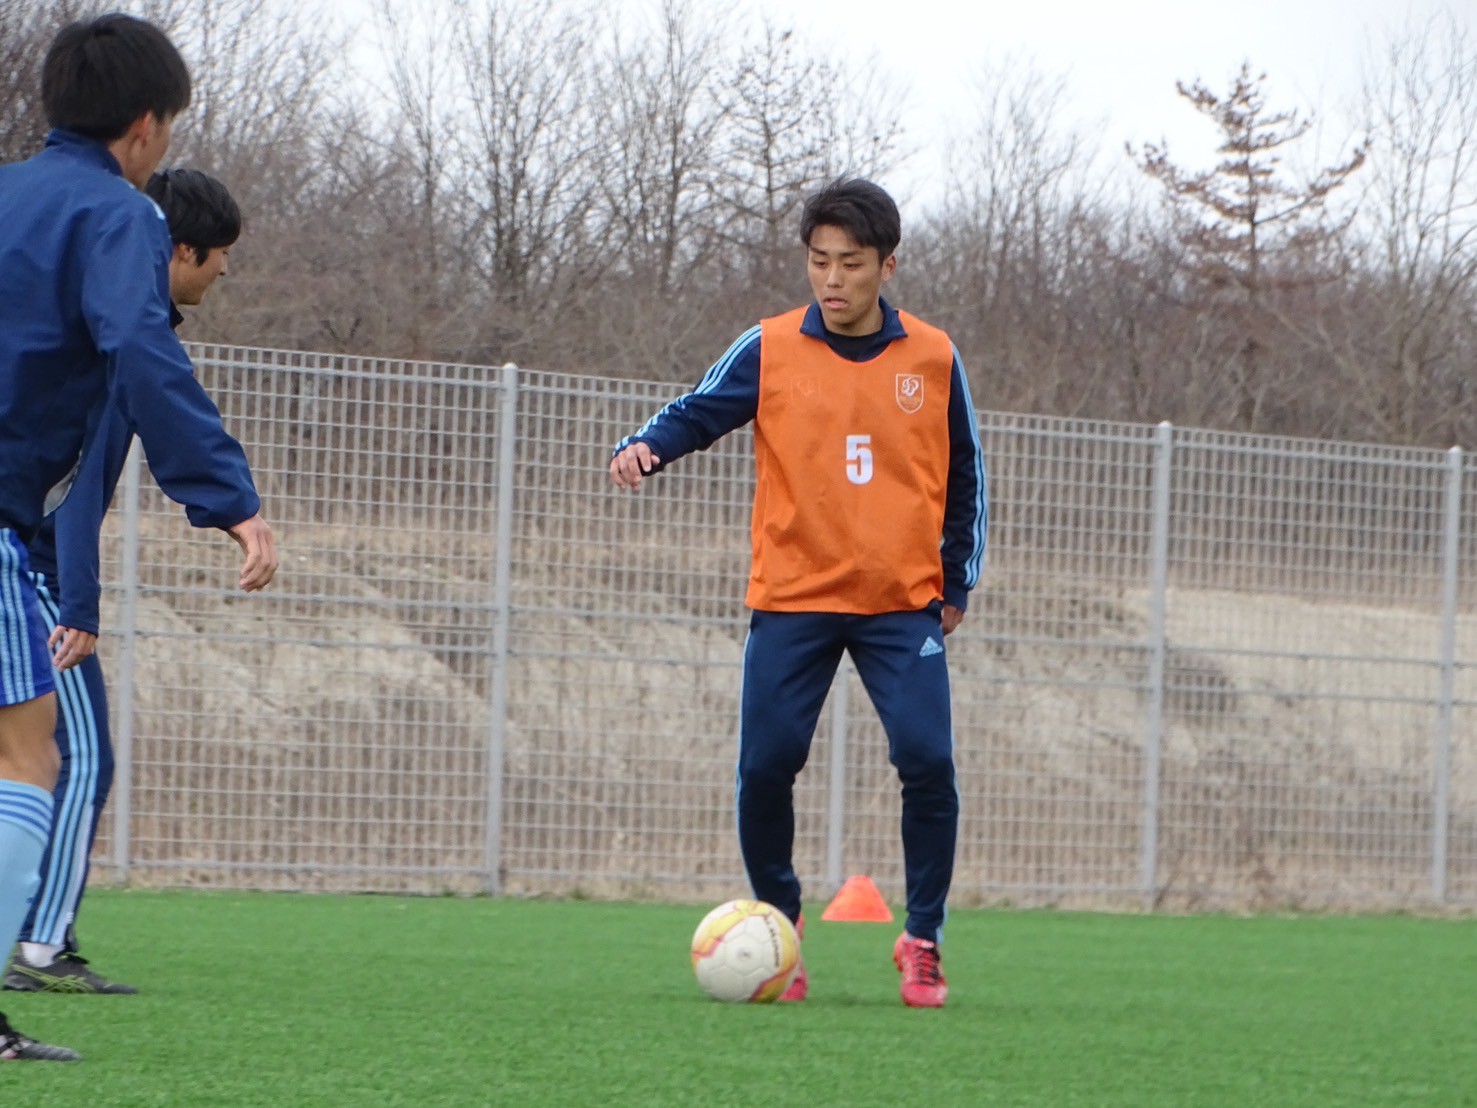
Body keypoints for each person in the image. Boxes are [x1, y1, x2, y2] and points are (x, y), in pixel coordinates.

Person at [609, 178, 987, 1009]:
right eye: (818, 261)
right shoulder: (770, 346)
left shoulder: (932, 356)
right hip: (791, 596)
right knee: (765, 766)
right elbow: (699, 410)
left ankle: (921, 937)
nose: (832, 278)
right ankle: (779, 927)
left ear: (886, 266)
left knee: (927, 761)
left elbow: (965, 472)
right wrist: (646, 446)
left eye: (850, 263)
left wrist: (955, 576)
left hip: (899, 602)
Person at [0, 15, 278, 1060]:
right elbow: (142, 352)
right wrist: (228, 497)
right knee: (32, 756)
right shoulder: (120, 215)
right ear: (147, 125)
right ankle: (24, 962)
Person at [4, 168, 241, 997]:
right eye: (220, 254)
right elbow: (71, 489)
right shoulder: (120, 341)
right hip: (32, 576)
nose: (226, 270)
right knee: (78, 756)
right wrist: (76, 601)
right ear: (181, 251)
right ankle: (40, 942)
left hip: (26, 564)